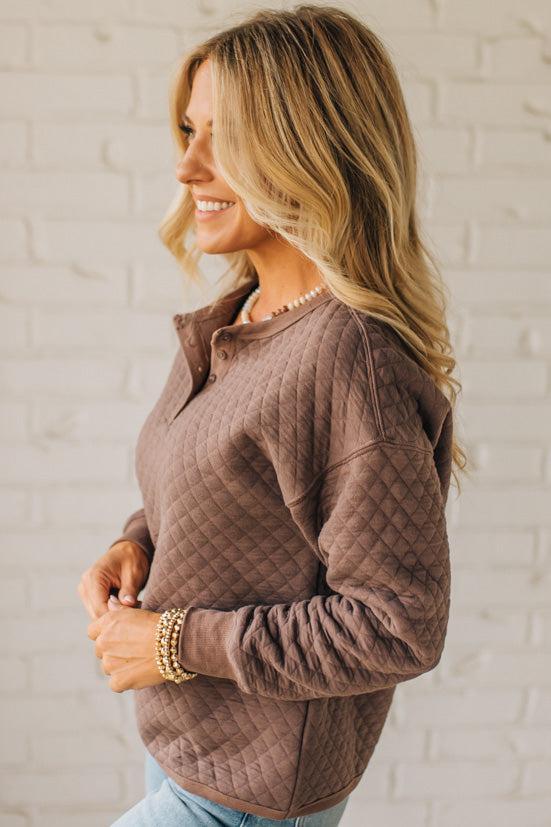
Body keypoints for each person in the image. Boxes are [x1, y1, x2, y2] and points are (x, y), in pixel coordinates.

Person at [77, 5, 469, 825]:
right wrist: (137, 543)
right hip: (187, 752)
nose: (187, 166)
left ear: (310, 148)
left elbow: (398, 624)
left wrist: (173, 642)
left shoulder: (346, 357)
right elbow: (227, 495)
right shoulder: (239, 318)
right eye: (189, 131)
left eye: (224, 138)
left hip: (249, 798)